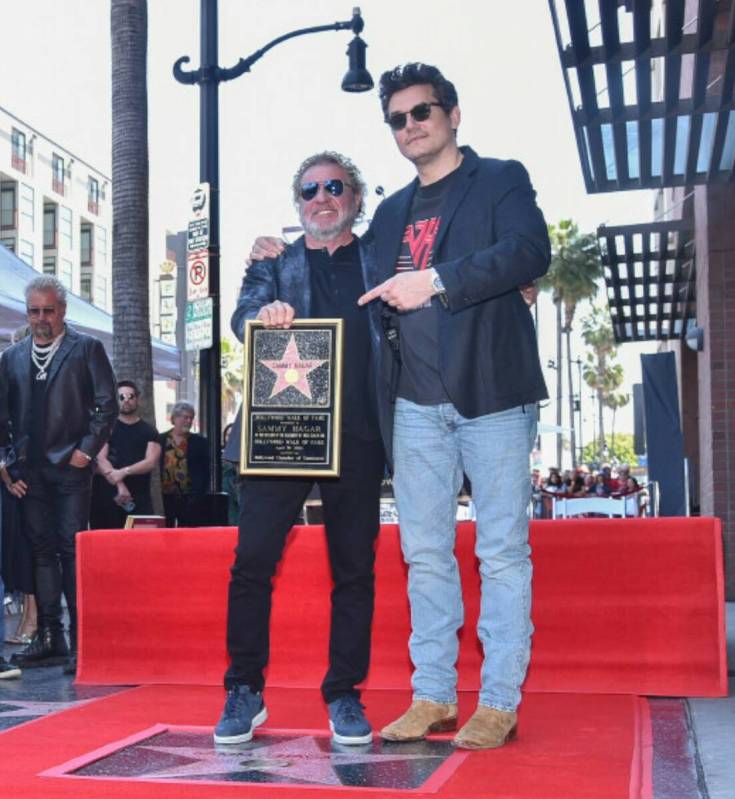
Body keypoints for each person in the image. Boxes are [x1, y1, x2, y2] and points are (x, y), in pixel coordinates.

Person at [356, 63, 550, 749]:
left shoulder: (499, 179)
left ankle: (498, 700)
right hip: (412, 404)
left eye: (422, 112)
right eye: (398, 118)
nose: (410, 126)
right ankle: (433, 695)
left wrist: (435, 280)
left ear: (452, 114)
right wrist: (274, 261)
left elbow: (530, 250)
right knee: (425, 554)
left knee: (500, 552)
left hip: (492, 394)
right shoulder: (386, 213)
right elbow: (355, 283)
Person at [214, 151, 386, 748]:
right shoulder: (275, 263)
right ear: (298, 204)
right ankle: (243, 688)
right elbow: (240, 317)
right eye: (309, 189)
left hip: (361, 433)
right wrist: (265, 314)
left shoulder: (380, 258)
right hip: (281, 435)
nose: (322, 197)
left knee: (354, 569)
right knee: (252, 560)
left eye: (334, 186)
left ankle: (344, 693)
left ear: (355, 199)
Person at [0, 275, 116, 675]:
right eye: (34, 311)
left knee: (70, 550)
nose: (41, 318)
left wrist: (86, 451)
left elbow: (107, 406)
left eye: (49, 310)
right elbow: (2, 420)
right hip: (29, 472)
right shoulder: (11, 358)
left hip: (70, 468)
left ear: (62, 311)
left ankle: (82, 643)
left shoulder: (85, 348)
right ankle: (51, 637)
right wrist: (7, 466)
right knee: (41, 552)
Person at [90, 381, 161, 528]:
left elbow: (150, 462)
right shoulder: (106, 428)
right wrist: (120, 485)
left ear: (137, 399)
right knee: (105, 546)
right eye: (121, 397)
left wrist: (124, 472)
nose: (126, 400)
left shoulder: (149, 431)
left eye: (130, 396)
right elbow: (100, 458)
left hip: (140, 500)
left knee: (142, 545)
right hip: (106, 499)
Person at [159, 401, 209, 527]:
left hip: (190, 498)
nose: (188, 421)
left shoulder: (199, 442)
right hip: (165, 497)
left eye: (191, 418)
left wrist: (199, 493)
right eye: (185, 417)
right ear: (175, 418)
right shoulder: (160, 439)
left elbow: (205, 470)